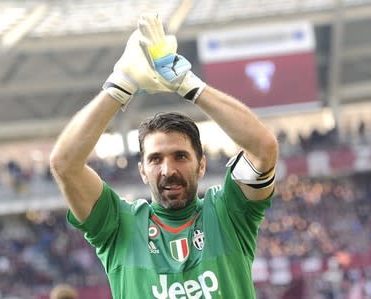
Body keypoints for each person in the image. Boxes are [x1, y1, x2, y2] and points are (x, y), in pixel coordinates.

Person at [50, 13, 278, 299]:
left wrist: (189, 84)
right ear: (143, 170)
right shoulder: (119, 226)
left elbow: (263, 148)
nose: (168, 169)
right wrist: (121, 84)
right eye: (155, 159)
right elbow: (64, 165)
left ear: (202, 165)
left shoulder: (228, 214)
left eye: (180, 156)